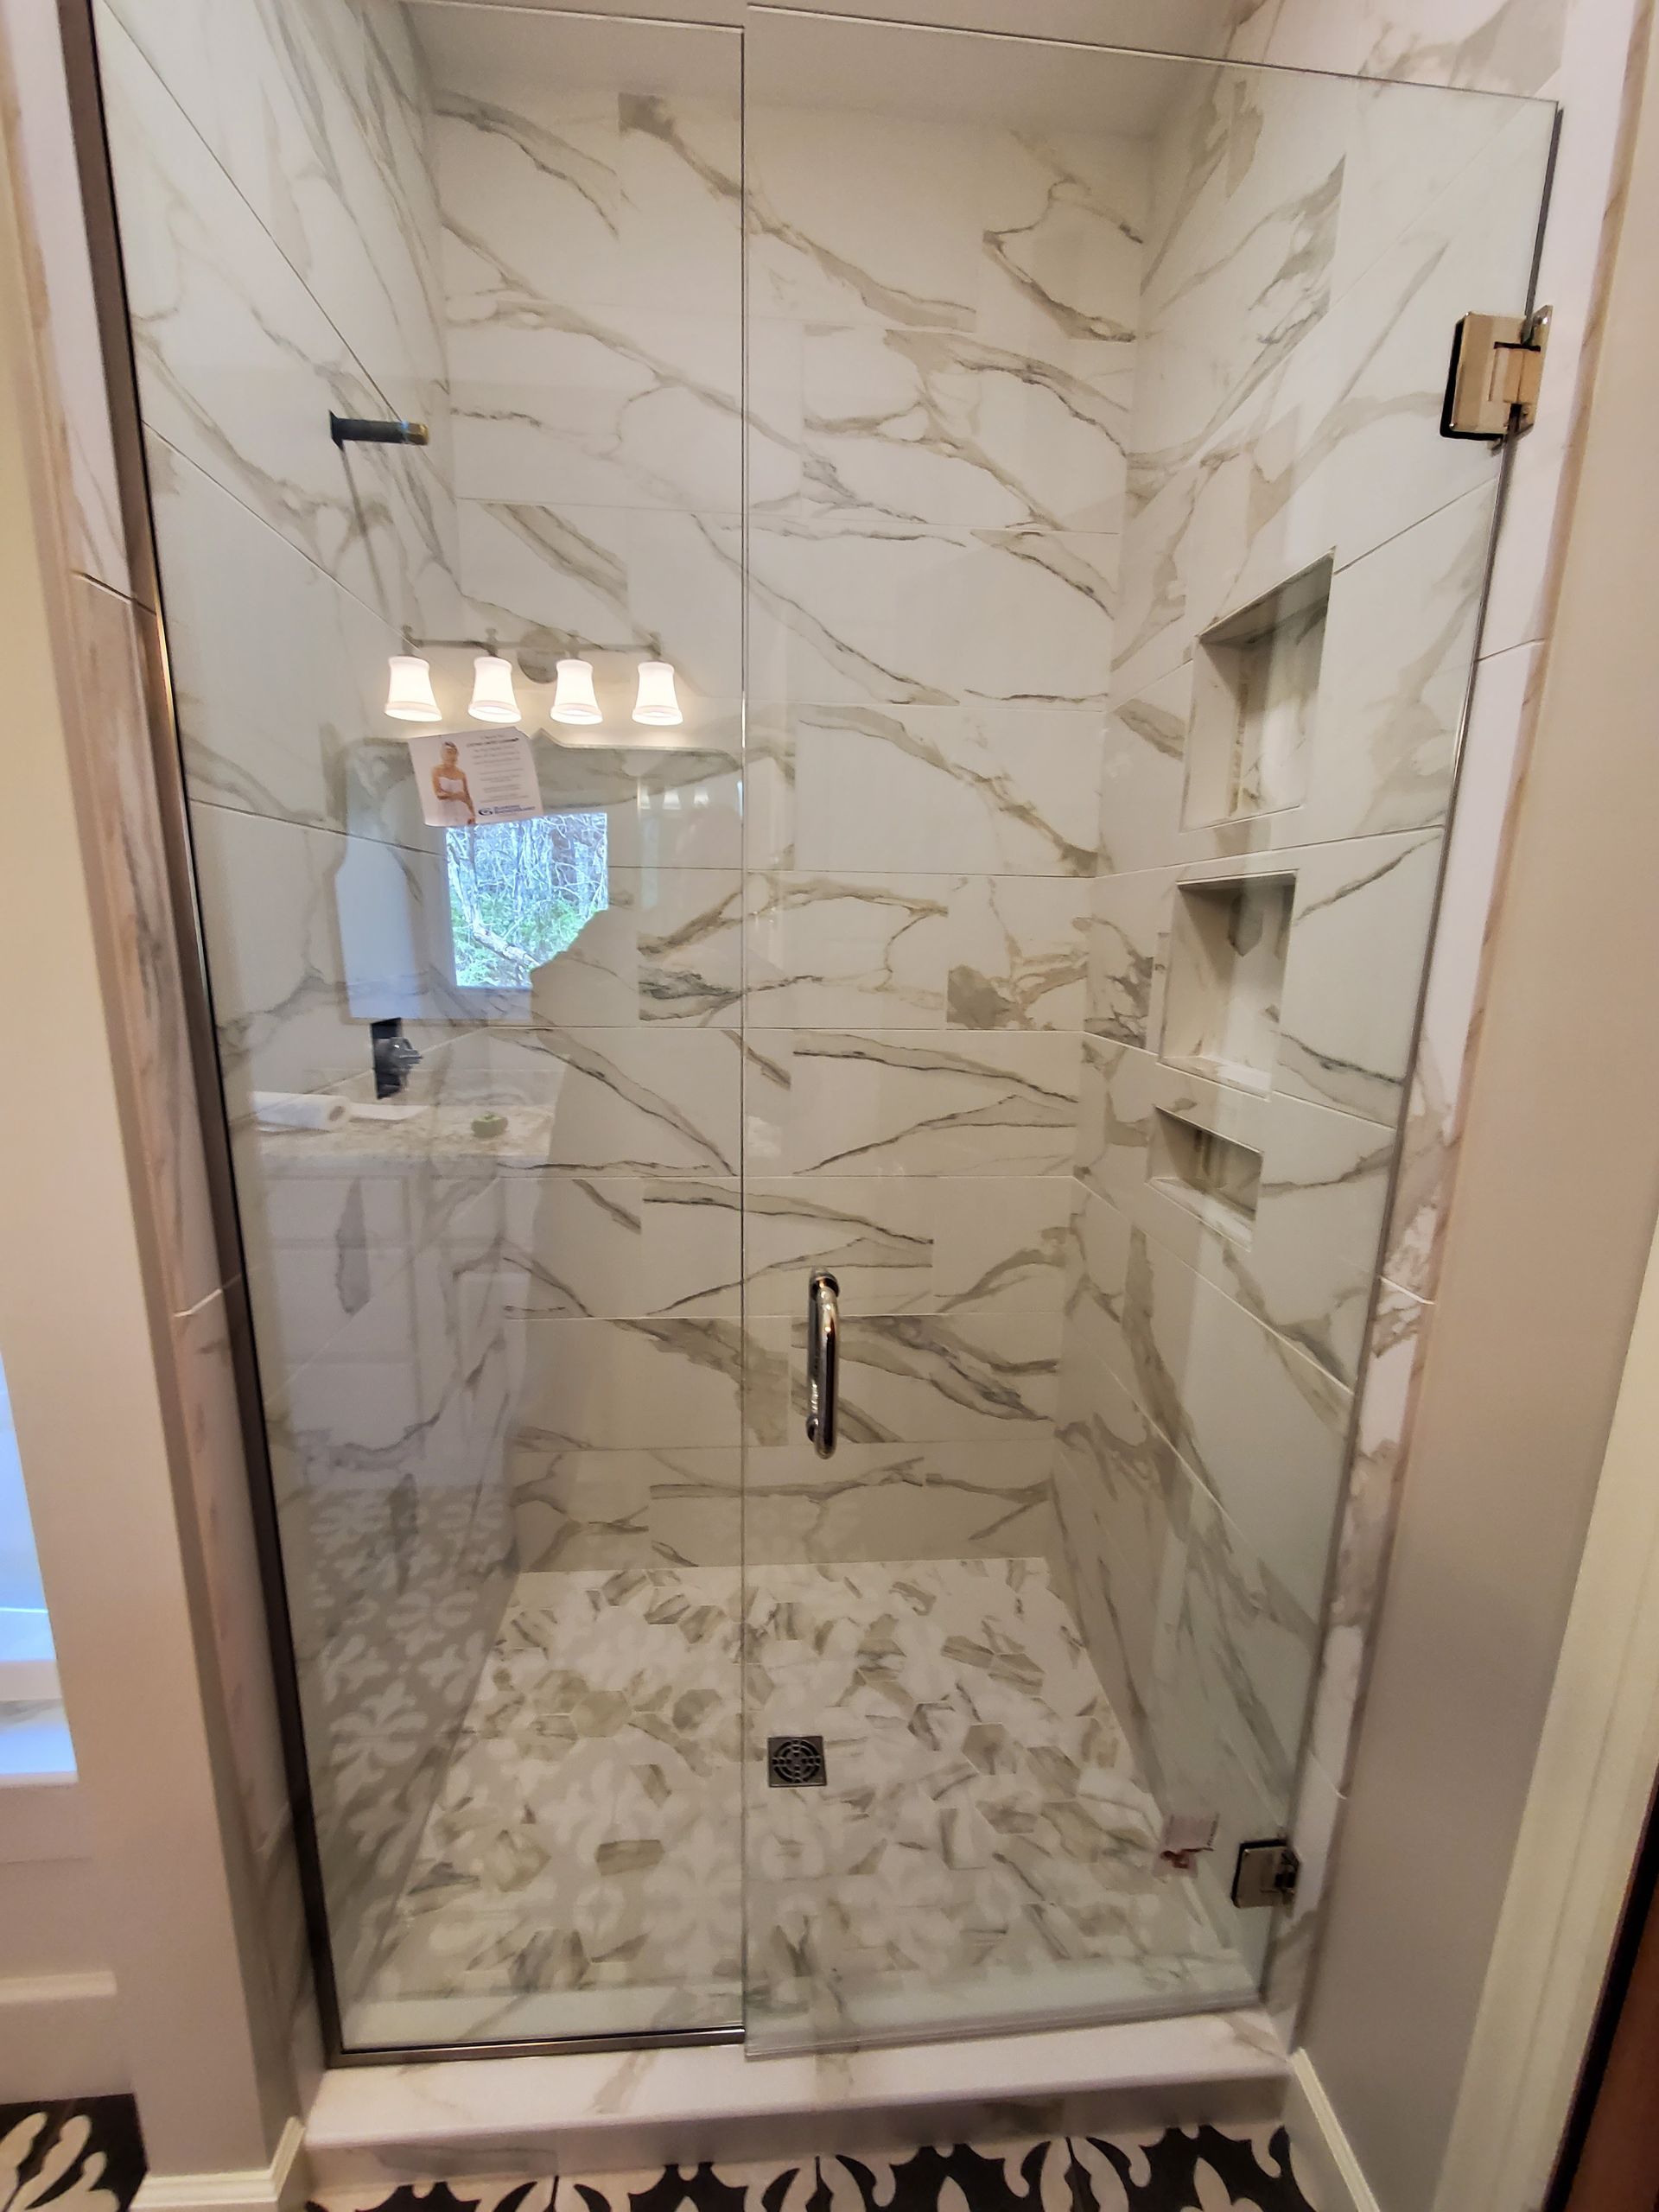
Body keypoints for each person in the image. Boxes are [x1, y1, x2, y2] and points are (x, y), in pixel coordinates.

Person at [429, 739, 476, 826]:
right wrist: (456, 796)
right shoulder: (437, 771)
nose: (451, 756)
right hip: (446, 812)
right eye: (448, 752)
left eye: (453, 752)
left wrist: (473, 814)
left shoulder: (461, 774)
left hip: (462, 812)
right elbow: (438, 794)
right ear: (443, 754)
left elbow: (467, 797)